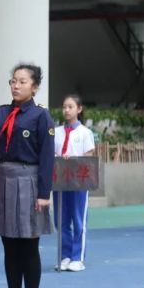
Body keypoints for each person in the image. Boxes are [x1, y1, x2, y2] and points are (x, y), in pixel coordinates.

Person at [0, 63, 54, 288]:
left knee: (29, 246)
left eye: (22, 81)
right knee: (9, 246)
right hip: (4, 179)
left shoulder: (41, 116)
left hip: (29, 179)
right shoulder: (0, 113)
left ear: (35, 87)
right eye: (13, 81)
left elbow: (47, 158)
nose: (16, 85)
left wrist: (43, 193)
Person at [53, 94, 95, 272]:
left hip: (78, 180)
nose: (66, 110)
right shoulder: (56, 132)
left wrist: (73, 160)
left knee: (78, 219)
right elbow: (51, 153)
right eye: (64, 107)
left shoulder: (85, 132)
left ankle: (78, 257)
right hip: (60, 179)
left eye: (70, 107)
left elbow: (89, 156)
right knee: (60, 219)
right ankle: (65, 255)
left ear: (79, 109)